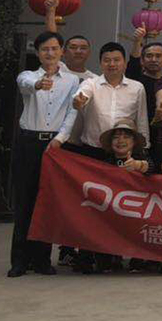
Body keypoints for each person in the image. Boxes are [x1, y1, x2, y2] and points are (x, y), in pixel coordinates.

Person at [10, 31, 79, 278]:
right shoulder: (28, 75)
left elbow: (72, 112)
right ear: (38, 53)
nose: (50, 53)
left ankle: (41, 259)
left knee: (47, 202)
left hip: (54, 146)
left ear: (62, 51)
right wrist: (40, 84)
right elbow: (27, 86)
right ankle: (20, 260)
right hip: (28, 143)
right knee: (25, 201)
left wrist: (60, 139)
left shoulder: (72, 80)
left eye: (54, 48)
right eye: (44, 49)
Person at [73, 119, 149, 274]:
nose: (121, 140)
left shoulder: (142, 158)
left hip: (136, 211)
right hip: (109, 212)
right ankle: (100, 258)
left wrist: (138, 166)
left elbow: (151, 168)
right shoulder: (104, 162)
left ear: (134, 142)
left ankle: (138, 259)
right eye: (116, 137)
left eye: (126, 136)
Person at [70, 42, 149, 160]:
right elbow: (82, 94)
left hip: (124, 150)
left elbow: (142, 120)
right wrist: (78, 101)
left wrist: (145, 146)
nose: (112, 64)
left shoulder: (137, 87)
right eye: (107, 60)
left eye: (116, 60)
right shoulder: (90, 83)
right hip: (93, 149)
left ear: (125, 63)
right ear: (100, 63)